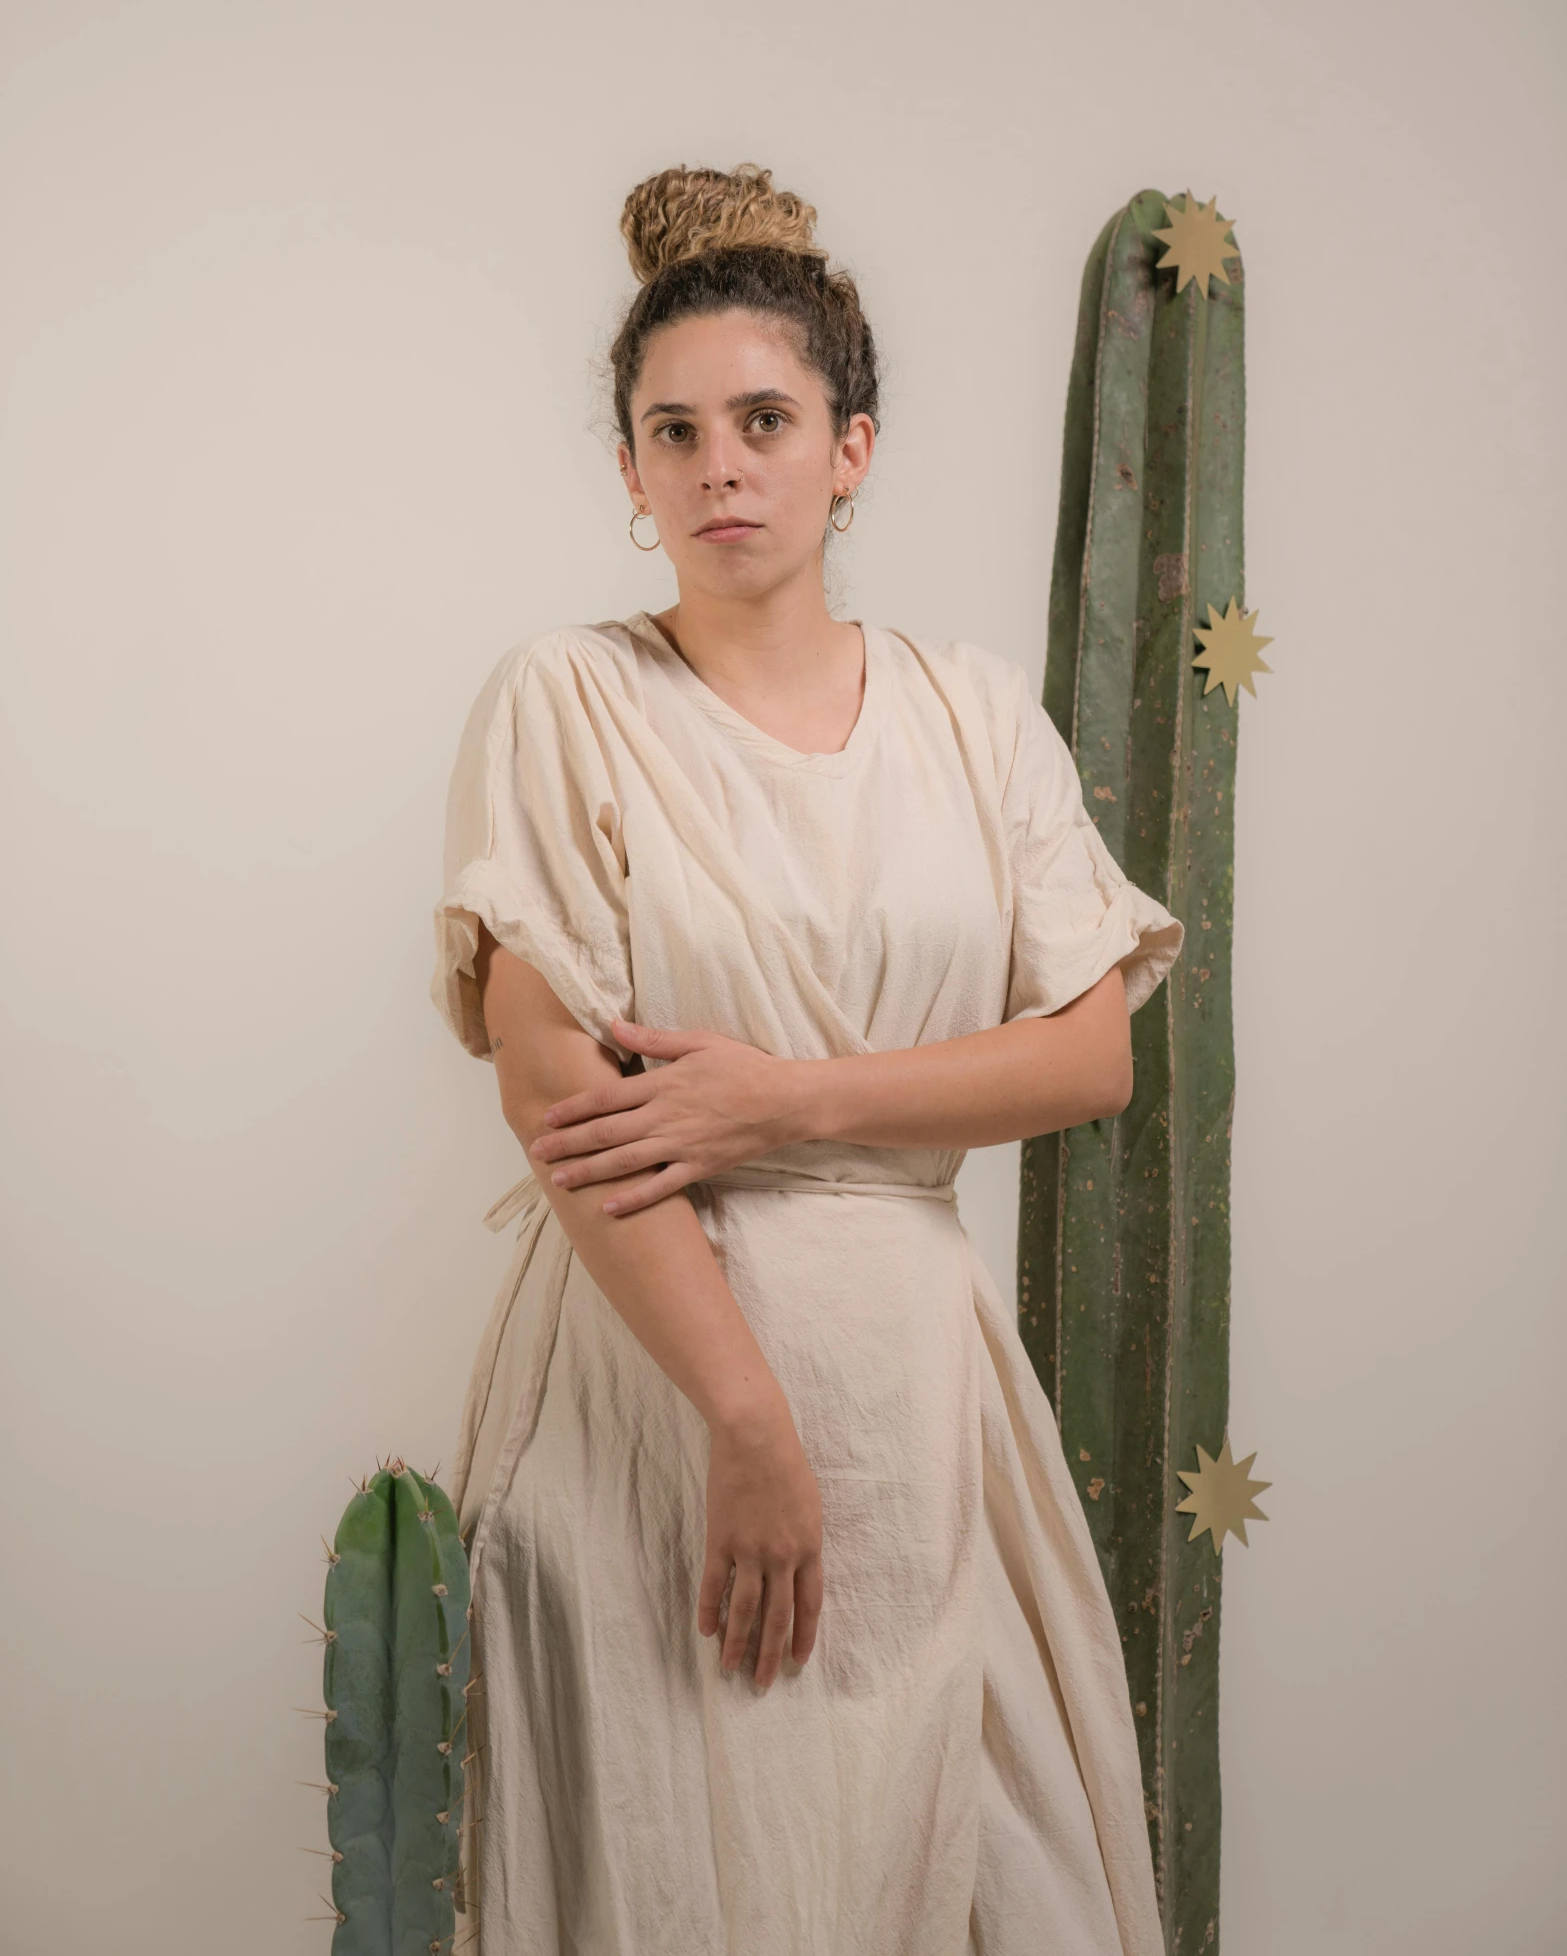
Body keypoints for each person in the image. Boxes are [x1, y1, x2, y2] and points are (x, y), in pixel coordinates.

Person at [431, 163, 1184, 1956]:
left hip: (921, 1398)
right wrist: (747, 1418)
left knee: (1002, 1881)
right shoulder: (566, 698)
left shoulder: (970, 708)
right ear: (628, 471)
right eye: (670, 430)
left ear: (851, 444)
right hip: (652, 1396)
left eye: (763, 418)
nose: (718, 465)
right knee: (692, 1885)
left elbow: (1090, 1057)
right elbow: (557, 1096)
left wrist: (788, 1097)